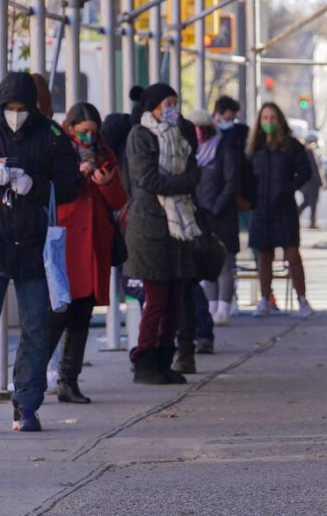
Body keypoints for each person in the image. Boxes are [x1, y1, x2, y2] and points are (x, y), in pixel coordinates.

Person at [0, 72, 81, 432]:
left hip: (35, 247)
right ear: (0, 105)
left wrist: (34, 185)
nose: (16, 113)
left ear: (33, 108)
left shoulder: (52, 135)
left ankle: (27, 404)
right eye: (10, 107)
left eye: (23, 108)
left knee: (36, 326)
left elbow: (71, 185)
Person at [123, 83, 201, 385]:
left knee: (175, 299)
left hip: (180, 225)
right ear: (153, 107)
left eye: (175, 103)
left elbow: (195, 172)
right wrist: (182, 182)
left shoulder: (182, 133)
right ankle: (145, 361)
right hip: (151, 228)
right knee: (156, 299)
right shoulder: (139, 135)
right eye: (166, 103)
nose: (172, 109)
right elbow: (148, 179)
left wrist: (182, 181)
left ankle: (165, 360)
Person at [51, 102, 127, 403]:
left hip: (94, 243)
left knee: (83, 313)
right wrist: (76, 174)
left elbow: (119, 199)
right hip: (67, 243)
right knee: (57, 314)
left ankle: (69, 380)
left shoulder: (106, 155)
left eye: (93, 132)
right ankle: (30, 381)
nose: (88, 138)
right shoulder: (60, 154)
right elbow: (55, 193)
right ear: (70, 129)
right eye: (82, 132)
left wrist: (106, 185)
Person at [247, 103, 315, 318]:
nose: (268, 122)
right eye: (264, 118)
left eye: (272, 117)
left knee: (292, 255)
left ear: (279, 119)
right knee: (264, 255)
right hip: (261, 207)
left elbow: (305, 170)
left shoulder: (291, 145)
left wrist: (290, 188)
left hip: (284, 206)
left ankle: (302, 299)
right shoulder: (255, 147)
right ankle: (265, 299)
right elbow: (247, 174)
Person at [187, 109, 241, 327]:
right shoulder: (192, 152)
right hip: (201, 217)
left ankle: (223, 308)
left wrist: (217, 207)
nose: (198, 133)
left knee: (225, 265)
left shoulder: (224, 149)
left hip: (222, 216)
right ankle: (211, 307)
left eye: (201, 128)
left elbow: (231, 182)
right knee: (207, 265)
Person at [297, 134, 324, 229]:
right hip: (311, 183)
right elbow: (315, 169)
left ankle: (297, 216)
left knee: (307, 202)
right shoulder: (310, 152)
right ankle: (312, 222)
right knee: (312, 202)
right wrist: (321, 182)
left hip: (307, 183)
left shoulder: (307, 152)